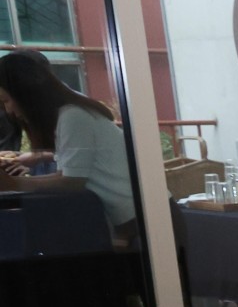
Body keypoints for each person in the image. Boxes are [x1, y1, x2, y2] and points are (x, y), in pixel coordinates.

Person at [0, 52, 136, 234]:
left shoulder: (73, 116)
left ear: (26, 93)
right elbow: (66, 175)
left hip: (141, 219)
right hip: (131, 219)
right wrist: (14, 181)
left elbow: (72, 182)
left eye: (7, 100)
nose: (8, 110)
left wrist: (13, 184)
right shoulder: (68, 114)